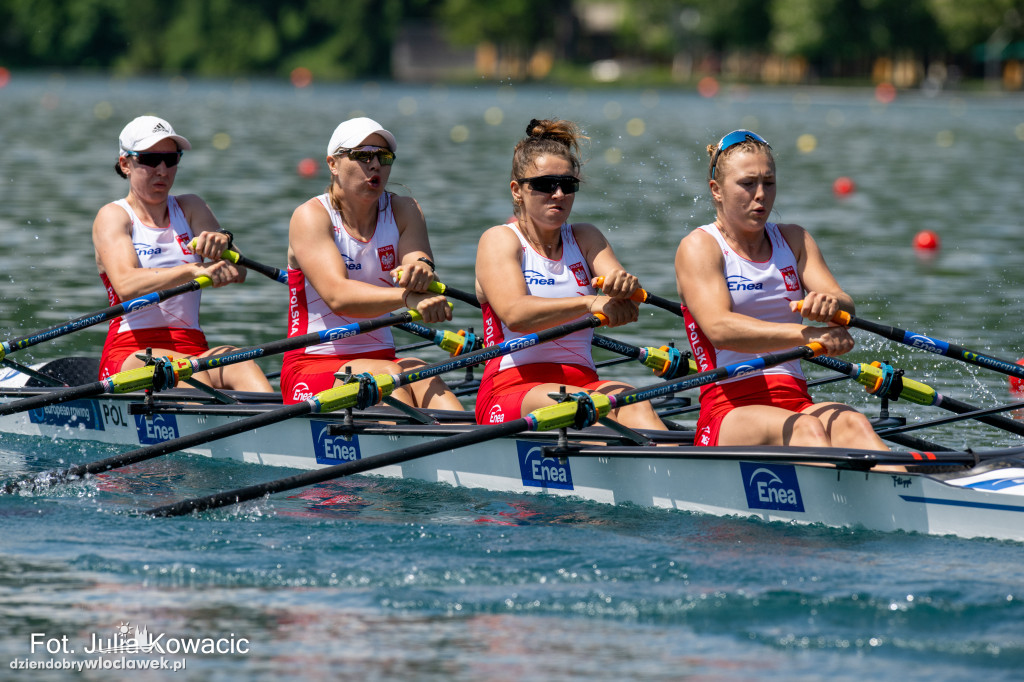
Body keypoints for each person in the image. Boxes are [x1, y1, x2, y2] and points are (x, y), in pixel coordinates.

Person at [674, 129, 888, 450]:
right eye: (747, 184)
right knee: (807, 430)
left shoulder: (794, 240)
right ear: (716, 191)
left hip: (796, 402)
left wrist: (832, 306)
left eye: (768, 183)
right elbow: (720, 329)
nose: (760, 195)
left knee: (854, 422)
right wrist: (809, 337)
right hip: (728, 411)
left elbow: (846, 305)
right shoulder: (700, 247)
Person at [474, 118, 667, 431]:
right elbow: (515, 314)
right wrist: (589, 304)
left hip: (585, 386)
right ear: (518, 190)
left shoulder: (586, 237)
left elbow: (626, 305)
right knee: (584, 409)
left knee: (637, 403)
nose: (559, 193)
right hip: (510, 390)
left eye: (568, 185)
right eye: (545, 185)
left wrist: (626, 289)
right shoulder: (500, 239)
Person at [281, 117, 463, 410]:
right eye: (363, 156)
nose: (375, 164)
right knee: (391, 379)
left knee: (427, 379)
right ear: (333, 164)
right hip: (313, 364)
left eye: (383, 157)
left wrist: (421, 268)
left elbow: (417, 257)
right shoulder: (311, 216)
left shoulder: (405, 210)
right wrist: (408, 297)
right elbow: (338, 296)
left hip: (382, 358)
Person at [93, 115, 273, 393]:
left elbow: (239, 272)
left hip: (193, 349)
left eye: (171, 159)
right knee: (192, 377)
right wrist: (192, 271)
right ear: (125, 164)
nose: (162, 169)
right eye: (150, 159)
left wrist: (223, 244)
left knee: (243, 362)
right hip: (131, 352)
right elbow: (127, 286)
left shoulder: (191, 208)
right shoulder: (114, 216)